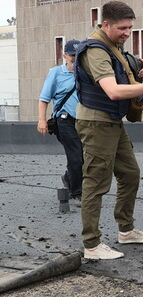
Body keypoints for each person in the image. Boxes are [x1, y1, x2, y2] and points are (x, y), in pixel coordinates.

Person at [74, 0, 143, 260]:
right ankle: (92, 245)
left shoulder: (112, 46)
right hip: (97, 123)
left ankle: (126, 230)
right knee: (96, 183)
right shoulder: (95, 50)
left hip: (112, 122)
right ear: (105, 24)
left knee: (130, 174)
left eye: (130, 28)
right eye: (122, 28)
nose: (127, 33)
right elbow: (113, 90)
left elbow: (125, 65)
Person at [37, 39, 83, 200]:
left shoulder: (85, 72)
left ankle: (69, 178)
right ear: (65, 55)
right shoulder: (56, 73)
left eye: (78, 55)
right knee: (76, 156)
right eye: (72, 55)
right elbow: (44, 99)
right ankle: (77, 193)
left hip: (83, 121)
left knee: (83, 156)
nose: (75, 58)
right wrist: (42, 120)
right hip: (65, 121)